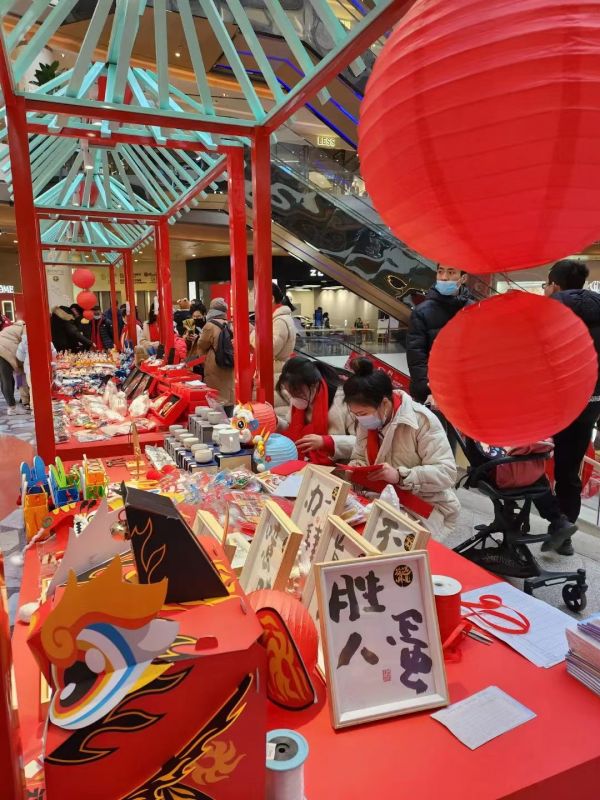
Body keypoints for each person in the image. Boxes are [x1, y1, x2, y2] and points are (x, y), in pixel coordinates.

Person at [344, 358, 460, 529]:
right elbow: (360, 455)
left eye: (362, 413)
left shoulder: (421, 420)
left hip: (421, 504)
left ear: (384, 403)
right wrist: (355, 468)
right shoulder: (367, 421)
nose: (360, 419)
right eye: (356, 414)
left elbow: (447, 473)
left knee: (376, 534)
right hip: (380, 496)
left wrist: (400, 476)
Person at [541, 259, 600, 555]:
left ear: (555, 285)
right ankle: (564, 535)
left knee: (524, 459)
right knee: (568, 471)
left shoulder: (551, 310)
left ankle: (522, 521)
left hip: (554, 401)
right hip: (590, 402)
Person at [406, 265, 474, 405]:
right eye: (440, 271)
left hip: (466, 392)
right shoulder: (422, 312)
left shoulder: (474, 310)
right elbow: (416, 357)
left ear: (463, 278)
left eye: (451, 272)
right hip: (432, 395)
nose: (444, 277)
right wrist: (429, 390)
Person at [277, 356, 356, 464]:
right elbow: (292, 428)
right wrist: (276, 422)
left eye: (298, 393)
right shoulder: (298, 397)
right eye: (290, 393)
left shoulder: (342, 399)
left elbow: (360, 443)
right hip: (306, 461)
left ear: (314, 385)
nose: (294, 399)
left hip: (337, 465)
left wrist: (326, 442)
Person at [250, 284, 297, 412]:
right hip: (275, 372)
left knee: (270, 414)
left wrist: (251, 336)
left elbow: (268, 349)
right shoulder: (277, 318)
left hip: (274, 374)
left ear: (271, 298)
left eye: (257, 298)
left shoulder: (279, 321)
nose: (255, 302)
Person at [190, 298, 234, 405]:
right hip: (229, 361)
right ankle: (229, 410)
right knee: (228, 390)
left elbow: (202, 344)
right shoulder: (229, 324)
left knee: (215, 394)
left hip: (214, 364)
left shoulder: (210, 325)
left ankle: (217, 412)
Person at [0, 318, 26, 415]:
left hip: (3, 352)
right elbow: (24, 346)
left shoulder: (11, 328)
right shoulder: (24, 328)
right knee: (7, 380)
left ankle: (12, 404)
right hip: (3, 353)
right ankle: (12, 408)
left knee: (5, 380)